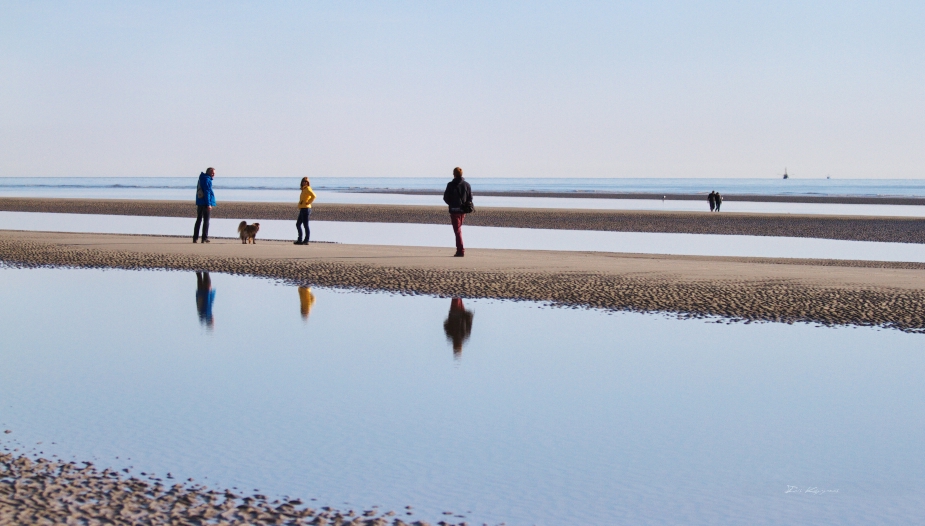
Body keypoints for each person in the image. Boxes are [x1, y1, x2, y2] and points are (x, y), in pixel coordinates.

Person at [442, 167, 473, 257]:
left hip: (454, 210)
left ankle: (460, 250)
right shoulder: (467, 185)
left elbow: (445, 198)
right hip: (463, 211)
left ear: (454, 174)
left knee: (457, 231)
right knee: (458, 230)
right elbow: (470, 198)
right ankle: (460, 250)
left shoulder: (450, 185)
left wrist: (451, 204)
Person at [193, 167, 216, 243]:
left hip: (200, 202)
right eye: (212, 173)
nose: (213, 175)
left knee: (199, 220)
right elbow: (207, 192)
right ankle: (204, 238)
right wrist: (209, 204)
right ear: (209, 172)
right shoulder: (207, 180)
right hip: (205, 203)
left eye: (214, 173)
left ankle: (195, 238)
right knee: (206, 221)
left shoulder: (201, 178)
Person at [295, 177, 317, 245]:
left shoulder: (307, 189)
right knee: (298, 224)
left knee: (305, 225)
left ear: (308, 183)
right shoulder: (303, 189)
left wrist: (308, 202)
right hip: (302, 208)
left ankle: (306, 240)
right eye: (303, 181)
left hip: (306, 209)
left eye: (306, 181)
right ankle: (300, 239)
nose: (304, 182)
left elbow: (314, 196)